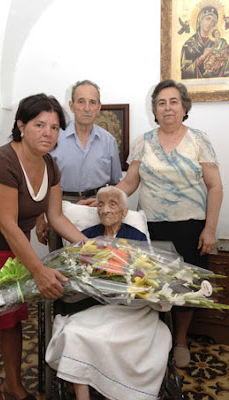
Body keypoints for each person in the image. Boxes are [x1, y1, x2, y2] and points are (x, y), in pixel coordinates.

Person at [0, 93, 86, 400]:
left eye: (55, 127)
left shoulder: (50, 165)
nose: (48, 133)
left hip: (15, 252)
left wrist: (89, 245)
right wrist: (40, 271)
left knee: (12, 319)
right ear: (21, 126)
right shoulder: (1, 163)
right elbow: (8, 226)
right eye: (39, 124)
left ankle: (14, 385)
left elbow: (56, 216)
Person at [111, 79, 222, 368]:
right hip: (152, 227)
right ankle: (156, 338)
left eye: (173, 101)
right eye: (161, 102)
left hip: (191, 226)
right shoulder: (143, 141)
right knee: (153, 285)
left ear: (184, 107)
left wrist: (210, 229)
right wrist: (107, 196)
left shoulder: (199, 139)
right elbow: (130, 182)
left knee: (186, 285)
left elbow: (215, 187)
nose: (168, 107)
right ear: (155, 110)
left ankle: (180, 340)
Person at [45, 186, 171, 400]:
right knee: (74, 333)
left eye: (113, 204)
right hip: (93, 307)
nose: (105, 210)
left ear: (124, 211)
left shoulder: (137, 237)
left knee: (141, 339)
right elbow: (73, 271)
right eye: (101, 204)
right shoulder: (87, 237)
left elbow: (150, 276)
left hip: (133, 312)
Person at [36, 80, 122, 250]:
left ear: (99, 107)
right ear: (72, 105)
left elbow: (115, 184)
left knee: (96, 259)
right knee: (61, 263)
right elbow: (40, 182)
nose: (87, 108)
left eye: (92, 102)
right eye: (81, 101)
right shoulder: (54, 138)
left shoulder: (109, 141)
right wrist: (40, 218)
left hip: (97, 207)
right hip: (59, 206)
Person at [180, 6, 229, 78]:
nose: (210, 23)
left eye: (213, 22)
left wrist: (225, 58)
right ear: (200, 19)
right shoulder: (189, 45)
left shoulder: (219, 43)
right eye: (208, 19)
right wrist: (203, 56)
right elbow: (185, 72)